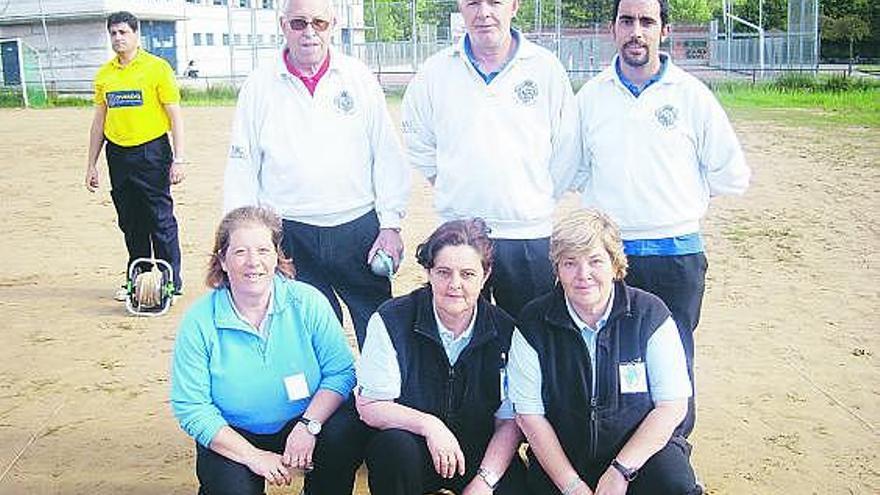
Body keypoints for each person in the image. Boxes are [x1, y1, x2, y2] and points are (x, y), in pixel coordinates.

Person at [574, 0, 751, 435]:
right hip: (611, 258)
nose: (636, 31)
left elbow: (732, 175)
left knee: (674, 355)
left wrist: (677, 198)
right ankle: (617, 444)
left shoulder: (692, 96)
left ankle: (673, 449)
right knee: (615, 354)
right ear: (612, 29)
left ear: (664, 31)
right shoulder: (590, 98)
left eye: (647, 22)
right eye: (627, 21)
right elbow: (570, 171)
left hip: (677, 255)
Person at [224, 0, 409, 349]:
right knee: (307, 332)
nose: (309, 32)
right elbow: (242, 163)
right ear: (282, 25)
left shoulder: (358, 77)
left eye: (319, 23)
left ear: (333, 25)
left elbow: (386, 153)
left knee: (379, 327)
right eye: (298, 23)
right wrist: (240, 233)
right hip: (289, 231)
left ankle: (380, 399)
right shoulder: (259, 85)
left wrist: (390, 225)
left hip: (358, 228)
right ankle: (325, 402)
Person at [400, 0, 580, 319]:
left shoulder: (545, 68)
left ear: (515, 6)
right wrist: (449, 185)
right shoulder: (435, 71)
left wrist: (533, 197)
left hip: (528, 236)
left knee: (532, 335)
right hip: (459, 239)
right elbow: (418, 139)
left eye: (495, 2)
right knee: (464, 337)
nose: (483, 12)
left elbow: (567, 148)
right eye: (473, 3)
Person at [170, 206, 365, 495]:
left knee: (345, 431)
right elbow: (192, 407)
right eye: (240, 252)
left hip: (305, 419)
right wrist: (253, 457)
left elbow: (341, 372)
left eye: (263, 250)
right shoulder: (199, 320)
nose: (253, 262)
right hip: (233, 432)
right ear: (222, 260)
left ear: (277, 256)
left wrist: (309, 425)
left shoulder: (308, 302)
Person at [509, 209, 700, 495]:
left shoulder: (651, 314)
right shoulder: (533, 322)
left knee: (673, 484)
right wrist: (572, 486)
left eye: (595, 261)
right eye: (570, 263)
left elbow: (672, 406)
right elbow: (529, 415)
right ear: (557, 269)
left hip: (639, 454)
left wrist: (620, 471)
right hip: (563, 456)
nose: (583, 275)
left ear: (615, 264)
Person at [356, 218, 528, 495]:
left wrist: (485, 481)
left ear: (486, 275)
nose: (455, 285)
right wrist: (430, 425)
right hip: (414, 445)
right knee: (392, 448)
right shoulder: (391, 319)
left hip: (479, 454)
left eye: (468, 274)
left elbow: (509, 421)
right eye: (444, 272)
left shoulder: (507, 332)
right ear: (429, 272)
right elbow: (371, 406)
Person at [85, 10, 186, 301]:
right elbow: (99, 122)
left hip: (151, 152)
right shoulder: (105, 75)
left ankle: (170, 281)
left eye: (123, 32)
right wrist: (91, 164)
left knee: (159, 219)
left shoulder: (157, 68)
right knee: (130, 220)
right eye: (113, 33)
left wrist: (179, 159)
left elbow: (174, 115)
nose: (118, 38)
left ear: (135, 34)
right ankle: (138, 278)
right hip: (118, 154)